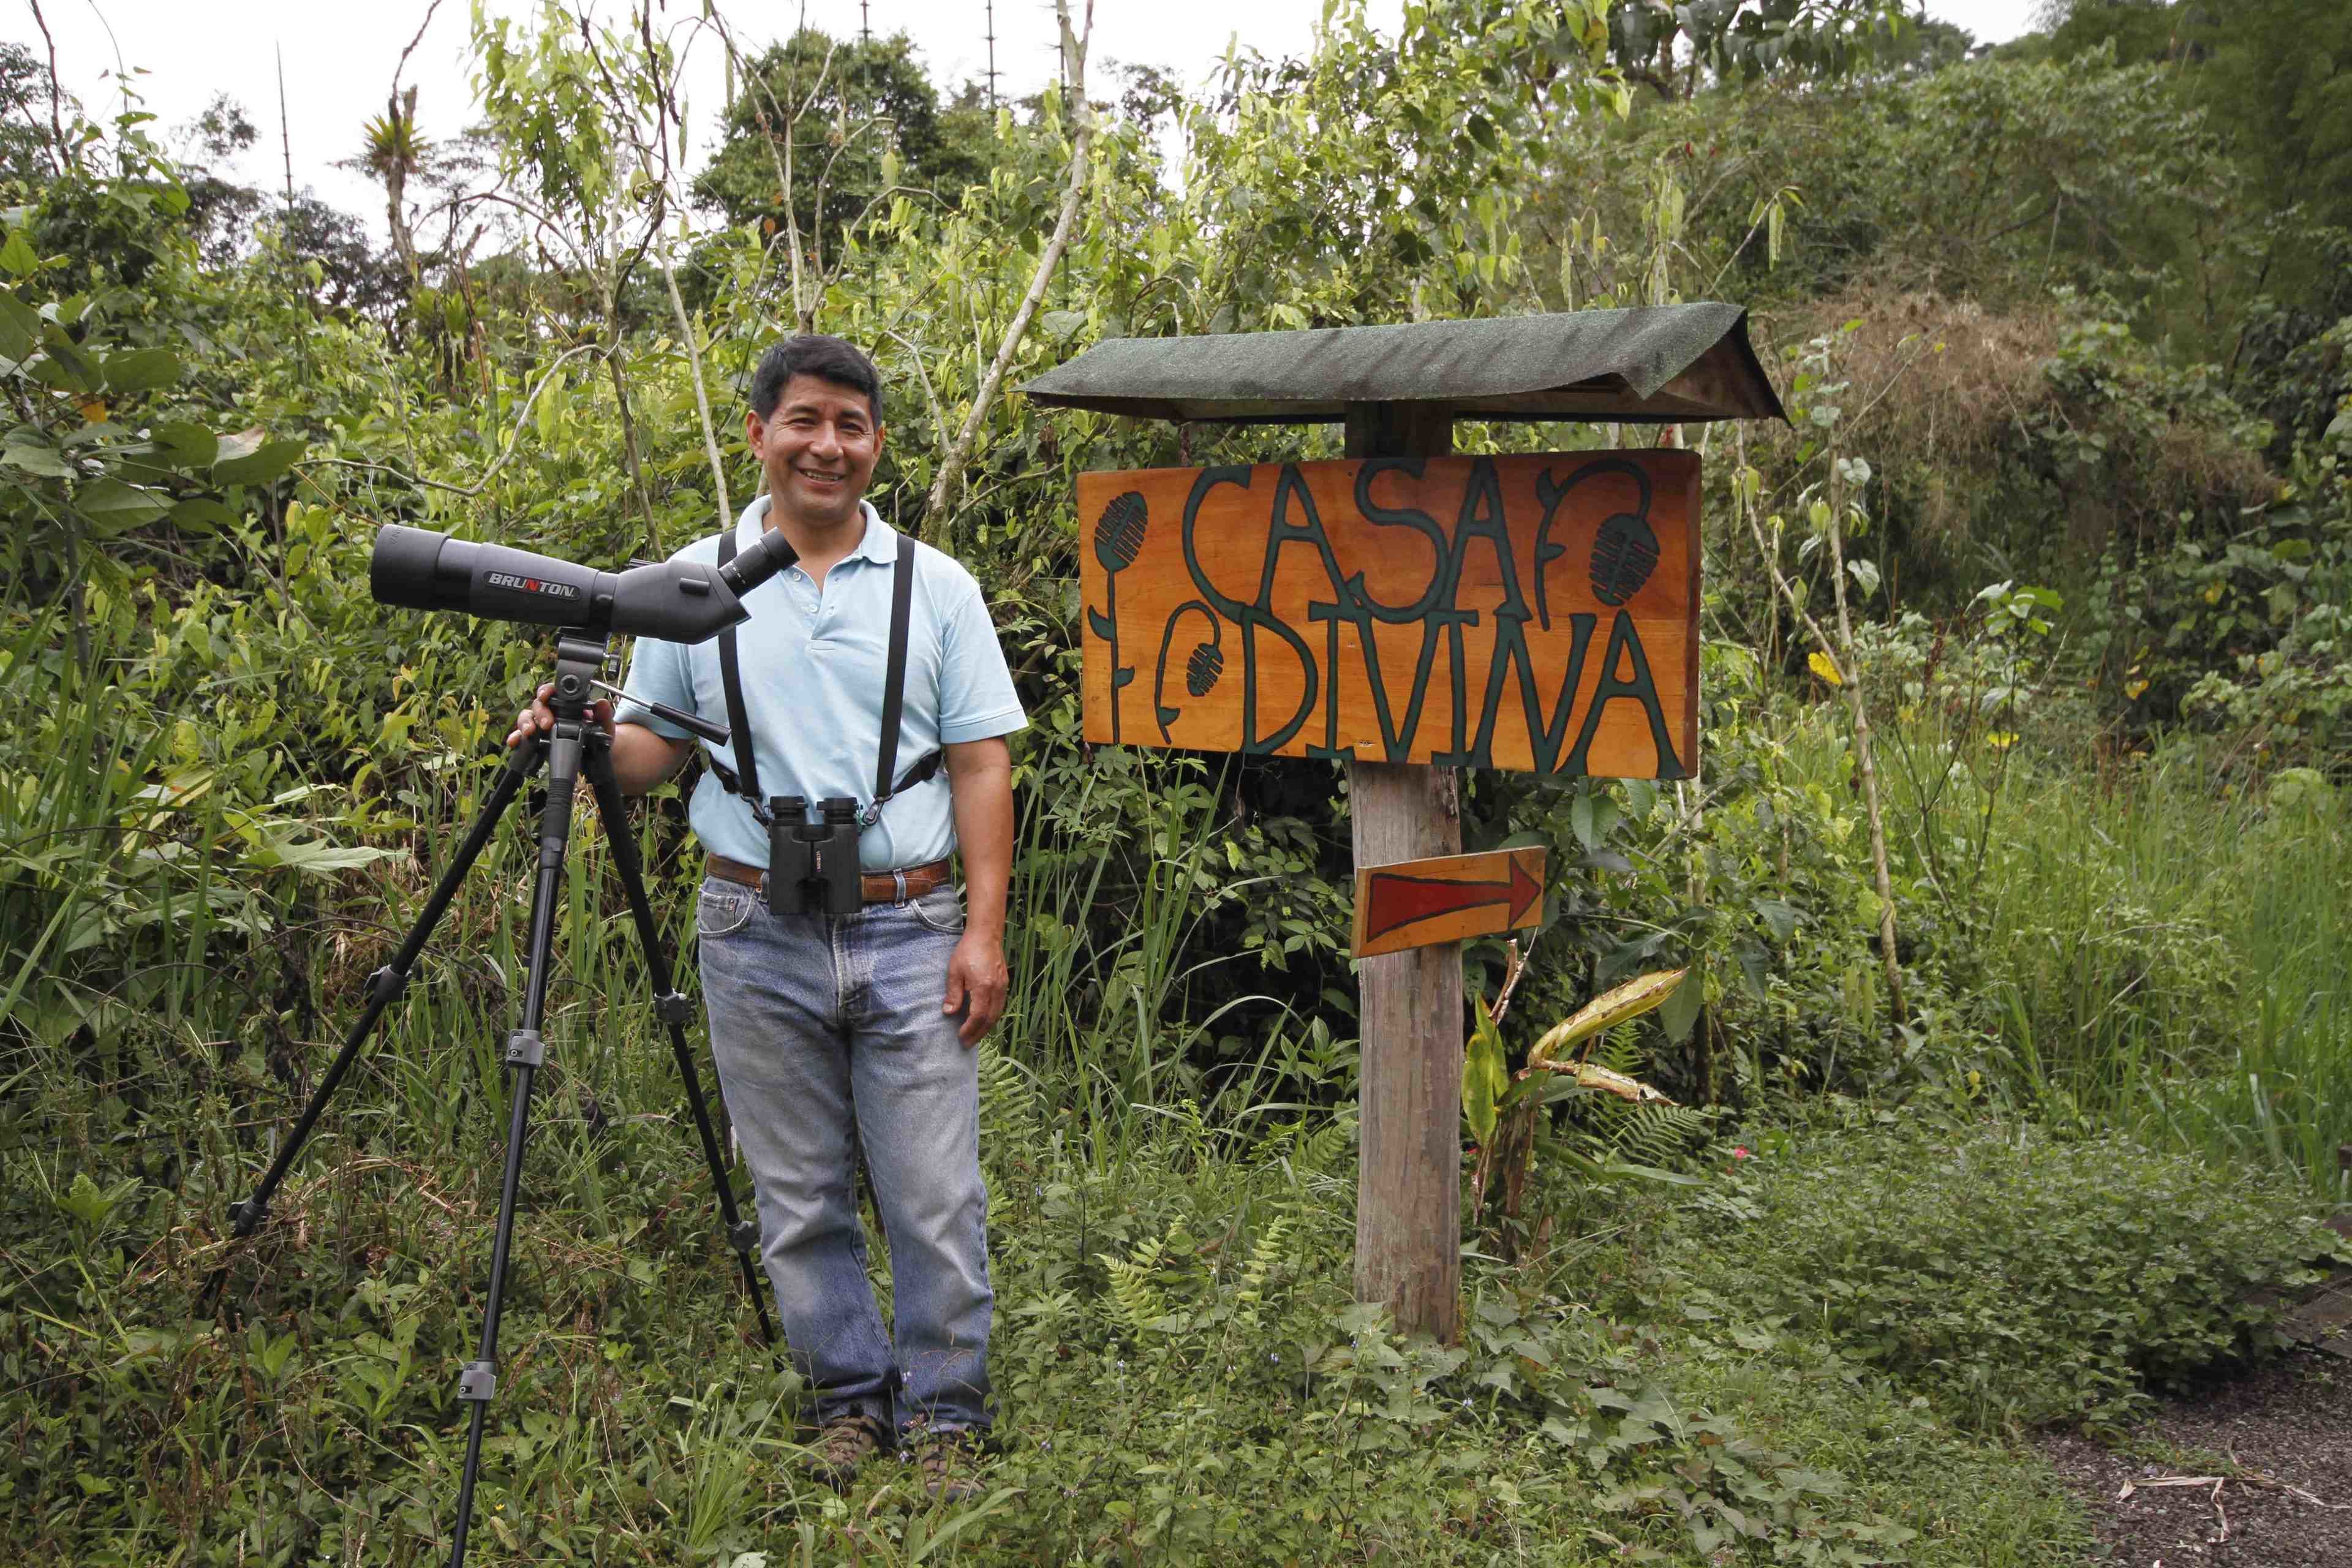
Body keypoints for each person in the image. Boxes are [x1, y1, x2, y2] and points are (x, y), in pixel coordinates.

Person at [506, 334, 1023, 1501]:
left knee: (935, 1195)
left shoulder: (938, 588)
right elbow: (652, 753)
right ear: (759, 434)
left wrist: (983, 933)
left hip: (912, 921)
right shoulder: (691, 585)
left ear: (876, 444)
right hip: (753, 928)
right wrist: (581, 731)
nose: (826, 446)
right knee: (797, 1196)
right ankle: (850, 1400)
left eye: (850, 424)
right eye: (803, 421)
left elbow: (983, 764)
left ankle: (945, 1415)